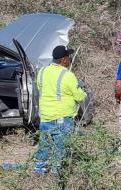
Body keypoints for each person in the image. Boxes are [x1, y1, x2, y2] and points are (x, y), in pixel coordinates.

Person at [34, 45, 87, 175]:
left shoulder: (42, 71)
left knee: (45, 144)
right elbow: (79, 96)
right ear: (63, 60)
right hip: (62, 118)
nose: (69, 60)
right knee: (61, 146)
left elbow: (41, 89)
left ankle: (40, 169)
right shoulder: (68, 75)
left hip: (45, 116)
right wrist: (83, 90)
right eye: (68, 57)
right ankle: (57, 173)